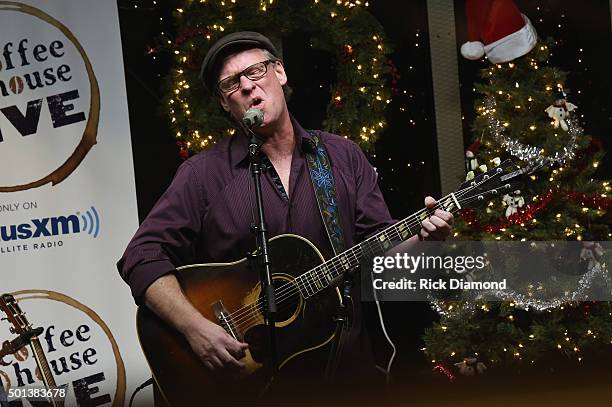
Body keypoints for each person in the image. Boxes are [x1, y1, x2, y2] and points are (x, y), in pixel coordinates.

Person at [118, 31, 453, 399]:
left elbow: (380, 253)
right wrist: (195, 328)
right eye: (232, 83)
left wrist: (422, 239)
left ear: (279, 73)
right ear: (225, 103)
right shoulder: (202, 175)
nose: (247, 86)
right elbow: (141, 256)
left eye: (256, 71)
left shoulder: (341, 157)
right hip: (254, 387)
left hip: (345, 374)